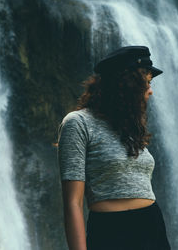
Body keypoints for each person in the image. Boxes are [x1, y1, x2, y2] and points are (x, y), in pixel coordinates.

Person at [58, 46, 171, 250]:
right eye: (146, 83)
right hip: (110, 232)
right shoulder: (78, 123)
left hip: (152, 227)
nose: (151, 90)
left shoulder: (130, 126)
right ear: (127, 84)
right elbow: (72, 204)